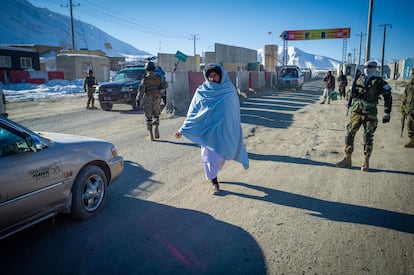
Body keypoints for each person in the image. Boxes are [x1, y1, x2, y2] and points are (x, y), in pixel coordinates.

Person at [175, 64, 249, 194]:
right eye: (209, 76)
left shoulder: (229, 90)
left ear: (221, 75)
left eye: (215, 75)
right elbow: (193, 111)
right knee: (209, 157)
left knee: (221, 157)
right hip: (208, 131)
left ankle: (214, 172)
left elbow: (233, 111)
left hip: (224, 130)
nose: (212, 78)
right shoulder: (201, 91)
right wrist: (184, 128)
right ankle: (214, 182)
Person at [336, 61, 392, 171]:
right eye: (366, 67)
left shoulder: (379, 81)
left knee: (368, 136)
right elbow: (349, 92)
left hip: (370, 112)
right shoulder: (359, 78)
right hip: (356, 110)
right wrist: (351, 95)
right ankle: (348, 158)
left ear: (375, 68)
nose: (367, 69)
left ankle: (366, 160)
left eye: (370, 67)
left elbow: (388, 96)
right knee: (349, 134)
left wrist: (387, 112)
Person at [137, 61, 168, 141]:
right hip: (157, 97)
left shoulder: (145, 78)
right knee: (156, 114)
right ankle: (156, 127)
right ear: (154, 69)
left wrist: (138, 99)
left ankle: (151, 135)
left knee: (148, 117)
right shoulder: (158, 77)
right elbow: (165, 86)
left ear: (146, 69)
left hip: (148, 98)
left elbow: (141, 90)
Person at [401, 67, 414, 148]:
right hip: (410, 110)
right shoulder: (409, 86)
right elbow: (405, 98)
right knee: (410, 125)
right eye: (413, 74)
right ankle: (412, 141)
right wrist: (403, 108)